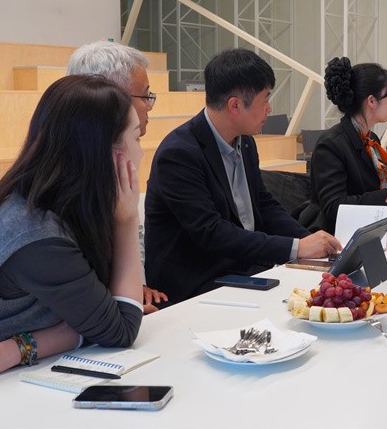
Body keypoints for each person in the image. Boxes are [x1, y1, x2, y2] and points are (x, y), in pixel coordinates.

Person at [0, 76, 144, 394]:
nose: (141, 153)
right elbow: (120, 329)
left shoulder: (62, 207)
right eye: (137, 137)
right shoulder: (38, 234)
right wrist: (127, 220)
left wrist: (13, 350)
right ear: (105, 153)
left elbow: (103, 317)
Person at [144, 48, 341, 303]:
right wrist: (296, 248)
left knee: (323, 290)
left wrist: (307, 239)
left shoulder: (245, 141)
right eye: (265, 100)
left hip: (242, 267)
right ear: (235, 105)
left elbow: (264, 204)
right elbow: (212, 232)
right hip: (199, 281)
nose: (269, 108)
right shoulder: (179, 153)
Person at [67, 40, 168, 312]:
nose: (149, 106)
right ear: (108, 97)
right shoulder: (69, 178)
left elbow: (134, 232)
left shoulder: (115, 159)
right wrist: (122, 304)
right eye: (144, 96)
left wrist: (136, 286)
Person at [301, 57, 387, 234]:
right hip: (336, 237)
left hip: (368, 233)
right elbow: (334, 207)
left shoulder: (370, 139)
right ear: (371, 101)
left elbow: (371, 197)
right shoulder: (331, 144)